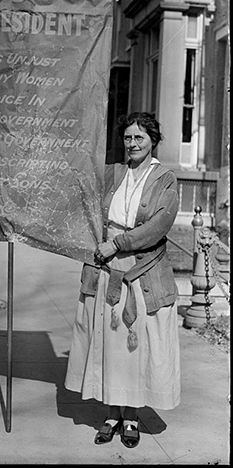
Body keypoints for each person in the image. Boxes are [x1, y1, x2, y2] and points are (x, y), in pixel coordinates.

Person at [64, 111, 180, 448]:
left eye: (139, 138)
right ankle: (112, 413)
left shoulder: (164, 179)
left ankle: (131, 416)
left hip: (141, 271)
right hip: (106, 270)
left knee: (135, 345)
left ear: (153, 141)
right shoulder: (114, 173)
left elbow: (159, 224)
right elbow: (87, 207)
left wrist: (118, 243)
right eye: (128, 138)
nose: (132, 144)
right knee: (110, 346)